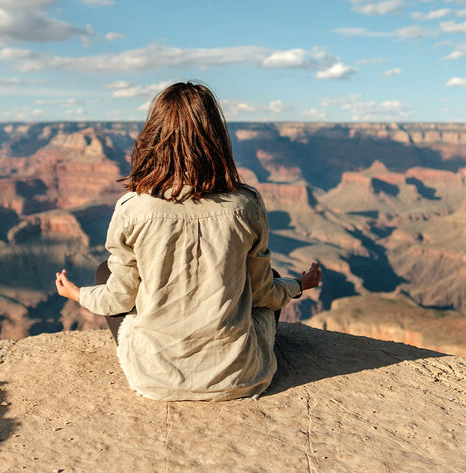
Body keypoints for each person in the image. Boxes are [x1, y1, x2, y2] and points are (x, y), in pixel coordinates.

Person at [55, 81, 321, 401]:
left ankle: (160, 359)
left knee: (104, 274)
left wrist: (77, 294)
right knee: (273, 277)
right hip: (239, 377)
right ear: (217, 139)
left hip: (153, 379)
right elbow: (264, 294)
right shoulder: (245, 204)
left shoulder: (132, 208)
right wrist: (298, 285)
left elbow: (119, 300)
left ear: (153, 138)